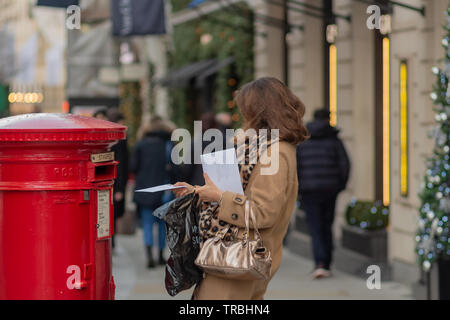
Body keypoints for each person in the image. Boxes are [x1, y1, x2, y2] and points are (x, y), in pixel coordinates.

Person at [173, 77, 309, 300]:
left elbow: (263, 212)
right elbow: (237, 191)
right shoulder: (259, 147)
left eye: (245, 108)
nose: (242, 114)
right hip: (233, 257)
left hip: (240, 258)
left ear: (258, 110)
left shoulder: (275, 152)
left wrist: (218, 196)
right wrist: (198, 192)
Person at [296, 108, 350, 279]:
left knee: (315, 227)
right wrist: (340, 185)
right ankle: (326, 262)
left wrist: (299, 189)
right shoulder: (335, 140)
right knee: (327, 224)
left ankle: (320, 263)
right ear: (328, 119)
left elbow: (296, 167)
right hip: (330, 190)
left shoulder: (304, 140)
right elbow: (345, 165)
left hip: (309, 191)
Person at [131, 116, 177, 269]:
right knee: (163, 224)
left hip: (145, 191)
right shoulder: (169, 145)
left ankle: (149, 255)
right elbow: (176, 169)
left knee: (147, 224)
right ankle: (160, 256)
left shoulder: (141, 144)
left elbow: (133, 167)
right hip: (164, 191)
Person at [107, 108, 129, 250]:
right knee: (112, 213)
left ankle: (111, 240)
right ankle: (111, 240)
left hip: (112, 180)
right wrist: (119, 187)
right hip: (116, 181)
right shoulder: (119, 141)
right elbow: (120, 164)